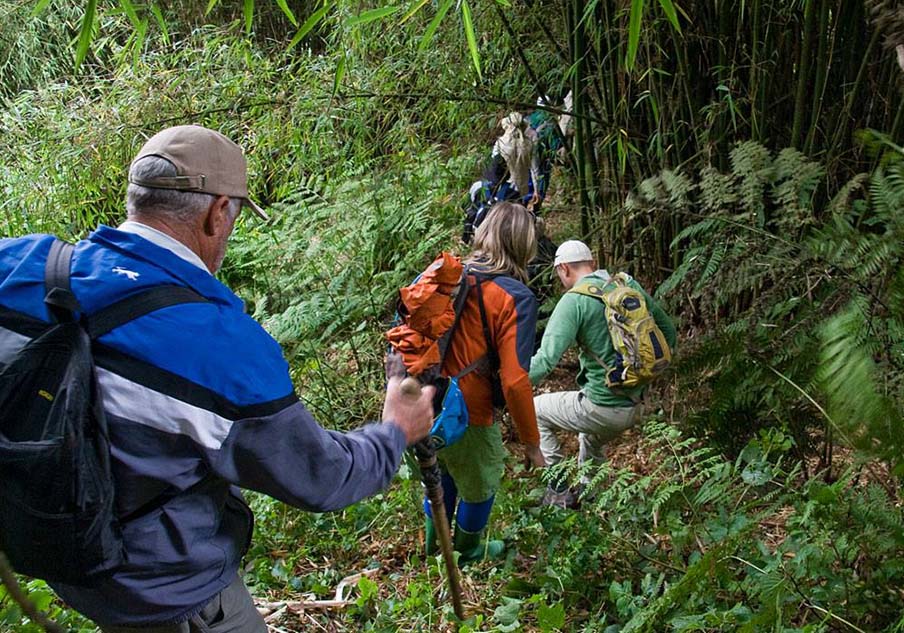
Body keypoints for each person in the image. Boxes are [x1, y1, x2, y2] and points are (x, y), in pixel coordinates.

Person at [0, 125, 436, 632]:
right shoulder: (224, 346)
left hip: (59, 560)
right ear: (217, 212)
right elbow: (322, 478)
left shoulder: (20, 264)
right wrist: (394, 431)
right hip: (168, 597)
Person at [425, 201, 545, 564]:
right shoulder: (513, 296)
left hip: (417, 400)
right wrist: (532, 444)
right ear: (523, 245)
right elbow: (514, 381)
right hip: (468, 411)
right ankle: (467, 552)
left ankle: (435, 547)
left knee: (438, 471)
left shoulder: (446, 274)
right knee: (479, 487)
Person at [528, 240, 677, 508]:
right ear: (593, 264)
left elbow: (545, 361)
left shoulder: (573, 301)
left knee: (534, 410)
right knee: (590, 440)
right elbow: (668, 334)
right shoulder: (626, 285)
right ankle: (592, 496)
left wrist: (507, 388)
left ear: (563, 269)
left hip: (603, 407)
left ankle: (558, 488)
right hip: (638, 404)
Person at [483, 112, 542, 209]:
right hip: (522, 189)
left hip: (503, 188)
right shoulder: (529, 144)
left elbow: (494, 168)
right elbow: (535, 169)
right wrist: (536, 190)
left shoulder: (500, 143)